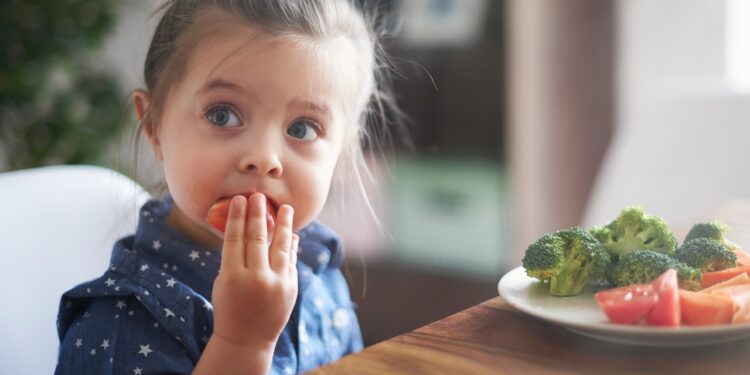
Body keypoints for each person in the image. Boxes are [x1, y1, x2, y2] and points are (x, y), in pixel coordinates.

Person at [55, 1, 397, 373]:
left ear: (343, 150)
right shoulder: (120, 324)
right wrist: (243, 343)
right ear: (155, 127)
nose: (264, 158)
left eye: (302, 129)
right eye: (223, 115)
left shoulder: (319, 266)